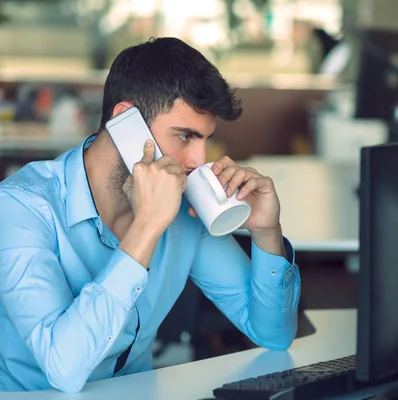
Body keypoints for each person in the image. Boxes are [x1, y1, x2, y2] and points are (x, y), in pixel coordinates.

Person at [0, 37, 301, 393]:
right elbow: (63, 369)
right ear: (125, 121)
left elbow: (273, 333)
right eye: (185, 136)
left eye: (205, 139)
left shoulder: (186, 209)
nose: (198, 161)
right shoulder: (21, 208)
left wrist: (267, 234)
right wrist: (147, 228)